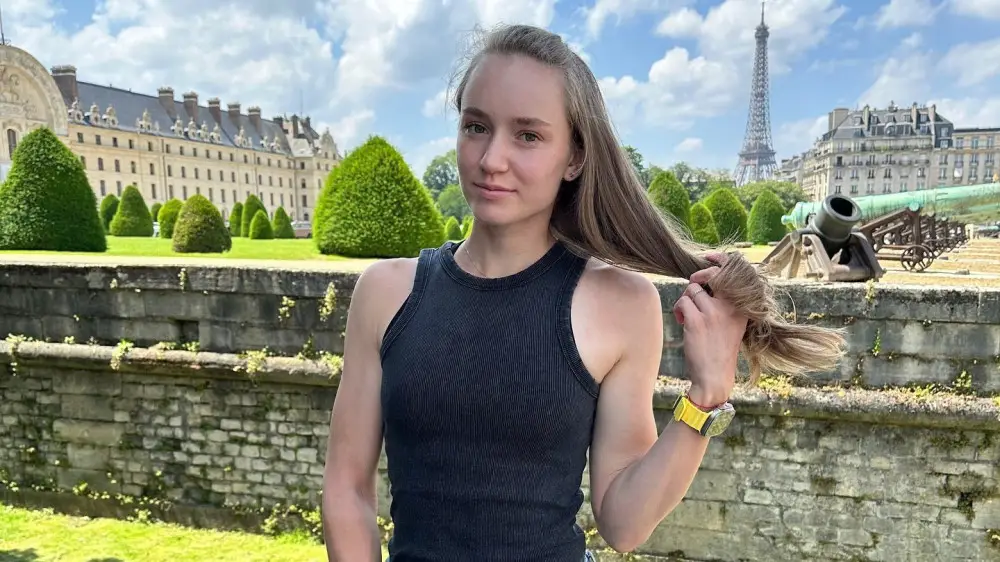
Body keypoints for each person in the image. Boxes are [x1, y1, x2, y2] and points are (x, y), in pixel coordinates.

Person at [321, 23, 846, 562]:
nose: (491, 159)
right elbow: (346, 489)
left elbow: (623, 523)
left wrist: (706, 398)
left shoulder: (622, 304)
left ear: (574, 157)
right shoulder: (385, 293)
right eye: (476, 126)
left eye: (528, 135)